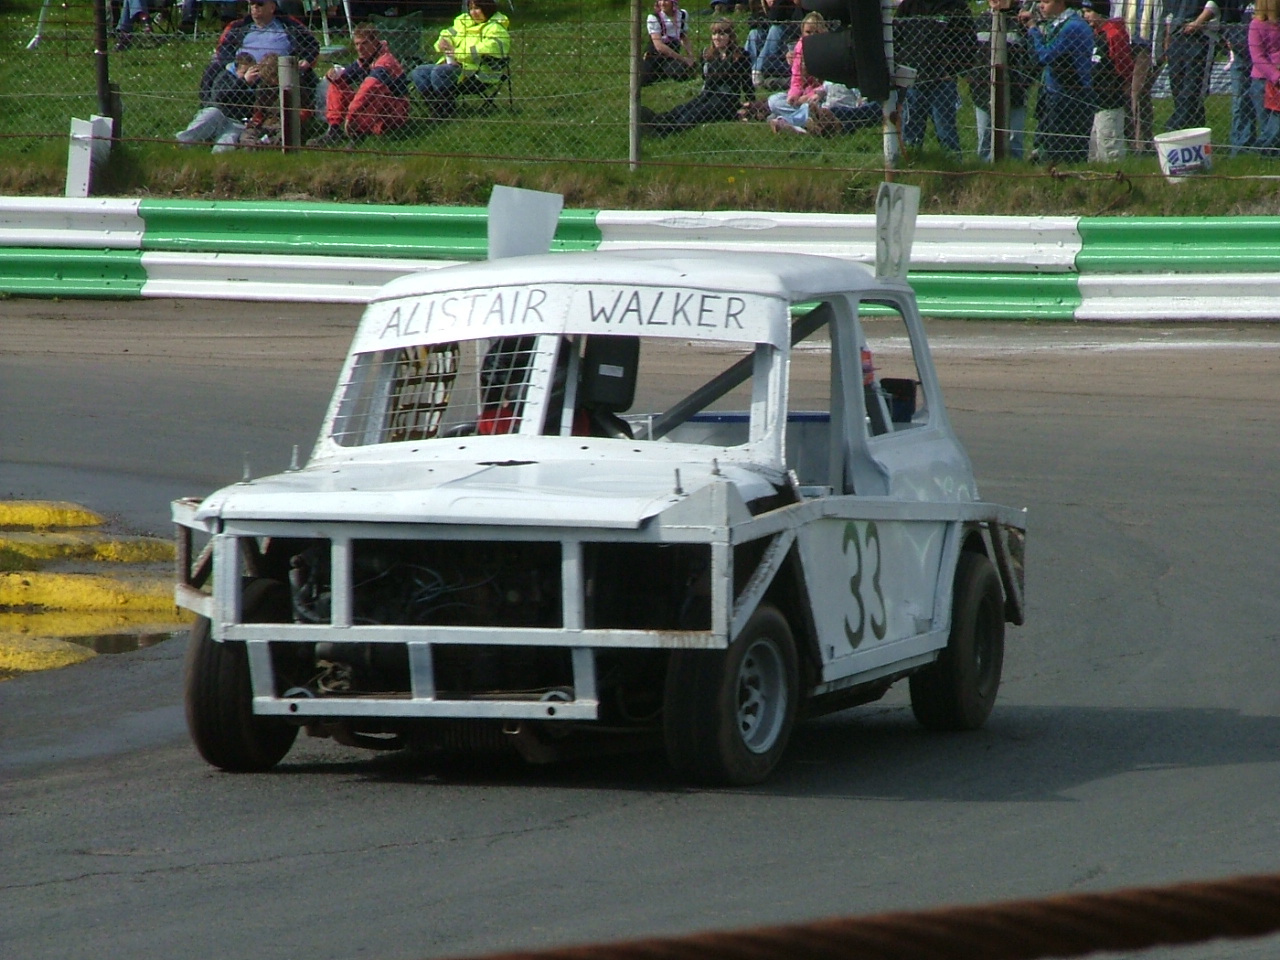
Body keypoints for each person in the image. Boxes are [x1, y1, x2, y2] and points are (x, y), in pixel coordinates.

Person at [199, 0, 319, 112]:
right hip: (242, 70)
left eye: (260, 4)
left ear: (272, 7)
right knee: (213, 69)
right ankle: (207, 109)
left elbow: (312, 45)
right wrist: (236, 67)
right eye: (252, 4)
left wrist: (306, 60)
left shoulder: (289, 25)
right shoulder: (238, 27)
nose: (255, 8)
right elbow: (223, 48)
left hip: (274, 73)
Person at [639, 18, 752, 135]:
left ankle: (665, 131)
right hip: (708, 93)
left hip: (727, 99)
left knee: (694, 114)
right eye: (714, 34)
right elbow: (706, 80)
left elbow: (747, 82)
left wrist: (751, 105)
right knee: (685, 107)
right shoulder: (709, 54)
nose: (717, 38)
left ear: (730, 36)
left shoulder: (740, 56)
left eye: (722, 34)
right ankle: (657, 120)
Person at [894, 0, 976, 158]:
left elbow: (968, 42)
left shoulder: (956, 6)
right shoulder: (909, 5)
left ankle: (953, 165)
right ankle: (911, 165)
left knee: (946, 131)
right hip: (912, 78)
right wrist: (902, 65)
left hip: (943, 80)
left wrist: (952, 69)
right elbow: (895, 37)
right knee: (911, 132)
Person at [309, 23, 410, 147]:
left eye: (364, 43)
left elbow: (367, 90)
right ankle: (334, 130)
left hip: (395, 111)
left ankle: (358, 134)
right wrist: (333, 75)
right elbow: (345, 76)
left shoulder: (385, 62)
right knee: (337, 83)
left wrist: (351, 116)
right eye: (356, 44)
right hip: (373, 110)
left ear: (375, 42)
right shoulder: (366, 59)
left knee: (372, 93)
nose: (359, 48)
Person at [410, 0, 511, 120]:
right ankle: (436, 108)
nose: (473, 12)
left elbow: (486, 49)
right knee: (419, 72)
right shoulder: (464, 22)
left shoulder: (496, 28)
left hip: (480, 73)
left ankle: (446, 111)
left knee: (440, 72)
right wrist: (444, 42)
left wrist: (457, 54)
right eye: (471, 8)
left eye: (477, 8)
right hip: (457, 66)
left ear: (487, 8)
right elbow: (449, 33)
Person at [1019, 0, 1094, 162]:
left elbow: (1046, 55)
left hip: (1070, 98)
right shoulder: (1058, 24)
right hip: (1054, 93)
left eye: (1046, 1)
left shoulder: (1072, 27)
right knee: (1047, 146)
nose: (1041, 5)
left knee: (1061, 152)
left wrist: (1033, 29)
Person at [968, 0, 1038, 160]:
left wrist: (1024, 82)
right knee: (985, 140)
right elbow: (969, 54)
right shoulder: (982, 20)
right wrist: (973, 79)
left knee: (1014, 140)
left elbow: (1033, 57)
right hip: (982, 91)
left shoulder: (1021, 22)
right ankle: (985, 171)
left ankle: (1013, 169)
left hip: (1015, 92)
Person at [176, 52, 279, 152]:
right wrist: (243, 81)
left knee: (222, 150)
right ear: (236, 69)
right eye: (244, 72)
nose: (249, 75)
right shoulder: (225, 76)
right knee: (211, 113)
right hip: (219, 115)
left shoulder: (257, 84)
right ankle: (181, 142)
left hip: (236, 123)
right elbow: (220, 97)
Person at [1081, 0, 1134, 161]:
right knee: (1096, 146)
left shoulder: (1113, 34)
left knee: (1109, 144)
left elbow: (1124, 66)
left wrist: (1119, 86)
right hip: (1096, 99)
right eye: (1083, 12)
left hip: (1110, 98)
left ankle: (1116, 171)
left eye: (1089, 11)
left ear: (1101, 12)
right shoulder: (1096, 34)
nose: (1085, 16)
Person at [1162, 0, 1220, 132]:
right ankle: (1192, 132)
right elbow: (1170, 10)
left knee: (1193, 87)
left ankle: (1174, 126)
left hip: (1201, 36)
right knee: (1177, 86)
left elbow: (1214, 3)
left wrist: (1198, 22)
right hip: (1177, 35)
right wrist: (1168, 37)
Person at [765, 11, 826, 132]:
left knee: (815, 106)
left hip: (819, 96)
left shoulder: (827, 48)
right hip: (802, 96)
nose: (811, 36)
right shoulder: (799, 47)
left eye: (816, 32)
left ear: (822, 32)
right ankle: (803, 121)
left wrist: (808, 96)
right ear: (802, 32)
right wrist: (794, 95)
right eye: (808, 32)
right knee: (774, 100)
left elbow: (829, 84)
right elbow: (796, 79)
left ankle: (788, 121)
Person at [744, 0, 802, 90]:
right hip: (766, 46)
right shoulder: (762, 9)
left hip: (782, 49)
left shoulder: (787, 7)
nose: (771, 0)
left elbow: (775, 18)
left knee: (775, 29)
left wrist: (776, 5)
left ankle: (757, 70)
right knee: (754, 33)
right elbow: (752, 22)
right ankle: (746, 70)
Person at [1224, 0, 1257, 154]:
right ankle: (1242, 145)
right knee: (1241, 101)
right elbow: (1227, 21)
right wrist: (1231, 39)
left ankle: (1270, 144)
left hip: (1269, 54)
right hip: (1241, 54)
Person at [1249, 0, 1280, 154]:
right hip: (1263, 80)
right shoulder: (1256, 25)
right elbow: (1257, 57)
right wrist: (1277, 76)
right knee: (1270, 124)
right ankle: (1264, 152)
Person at [641, 0, 697, 85]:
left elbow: (684, 37)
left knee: (681, 72)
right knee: (643, 79)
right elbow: (659, 46)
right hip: (656, 55)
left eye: (666, 0)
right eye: (660, 0)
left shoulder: (682, 15)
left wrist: (691, 56)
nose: (662, 3)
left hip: (672, 55)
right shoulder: (654, 18)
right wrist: (683, 59)